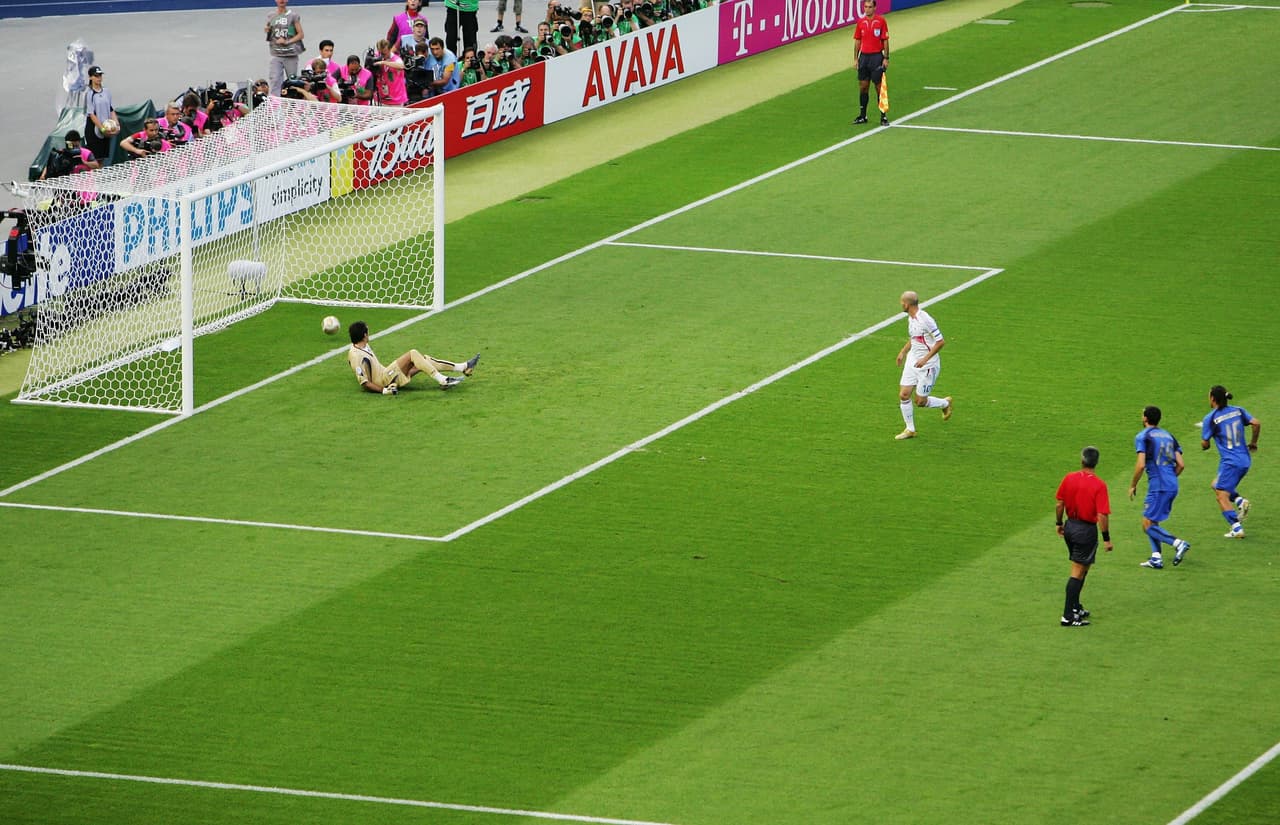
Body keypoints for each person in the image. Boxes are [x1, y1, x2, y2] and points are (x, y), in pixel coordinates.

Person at [1056, 446, 1113, 627]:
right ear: (1096, 462)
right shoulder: (1099, 485)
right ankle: (1067, 616)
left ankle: (1075, 607)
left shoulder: (1069, 478)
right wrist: (1106, 538)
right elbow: (1102, 515)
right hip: (1085, 530)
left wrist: (1059, 523)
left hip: (1070, 527)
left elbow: (1059, 503)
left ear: (1082, 460)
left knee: (1083, 566)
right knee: (1078, 570)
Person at [1129, 405, 1191, 569]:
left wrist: (1133, 485)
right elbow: (1181, 464)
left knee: (1147, 524)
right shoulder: (1168, 435)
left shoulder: (1143, 436)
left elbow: (1141, 465)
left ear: (1145, 418)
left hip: (1159, 486)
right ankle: (1156, 558)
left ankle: (1178, 543)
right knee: (1151, 520)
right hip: (1171, 484)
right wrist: (1170, 479)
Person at [347, 321, 479, 394]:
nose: (369, 334)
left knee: (424, 360)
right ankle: (443, 380)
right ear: (364, 335)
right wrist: (384, 390)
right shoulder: (357, 356)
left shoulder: (362, 345)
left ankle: (464, 367)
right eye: (368, 332)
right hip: (384, 379)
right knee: (412, 354)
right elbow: (364, 383)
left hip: (388, 375)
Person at [1201, 385, 1260, 539]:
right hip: (1244, 459)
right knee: (1215, 484)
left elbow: (1205, 444)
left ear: (1213, 398)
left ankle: (1236, 528)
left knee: (1221, 496)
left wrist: (1206, 443)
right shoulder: (1238, 410)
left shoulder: (1211, 418)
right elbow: (1256, 423)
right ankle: (1241, 501)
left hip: (1231, 463)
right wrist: (1253, 443)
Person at [893, 290, 952, 440]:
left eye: (902, 302)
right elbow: (914, 338)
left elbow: (941, 342)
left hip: (927, 366)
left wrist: (925, 359)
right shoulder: (911, 318)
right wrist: (903, 352)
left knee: (920, 402)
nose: (901, 305)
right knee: (904, 394)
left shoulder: (925, 320)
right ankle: (910, 429)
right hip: (912, 361)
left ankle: (945, 404)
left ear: (907, 304)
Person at [852, 0, 889, 127]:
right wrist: (856, 59)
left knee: (879, 87)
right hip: (864, 58)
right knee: (863, 86)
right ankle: (863, 116)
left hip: (877, 57)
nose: (867, 9)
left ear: (875, 8)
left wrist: (886, 58)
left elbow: (885, 40)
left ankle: (883, 116)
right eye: (865, 7)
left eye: (870, 7)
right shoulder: (860, 22)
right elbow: (857, 41)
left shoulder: (881, 21)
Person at [265, 0, 306, 96]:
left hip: (290, 54)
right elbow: (269, 31)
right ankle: (275, 103)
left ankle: (292, 101)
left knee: (292, 82)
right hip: (276, 54)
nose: (281, 0)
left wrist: (287, 42)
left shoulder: (293, 16)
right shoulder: (271, 15)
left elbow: (300, 34)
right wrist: (267, 30)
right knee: (275, 80)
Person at [83, 65, 117, 166]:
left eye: (100, 75)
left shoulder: (106, 91)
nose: (99, 78)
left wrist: (116, 125)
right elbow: (91, 114)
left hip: (106, 128)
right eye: (96, 76)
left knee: (102, 159)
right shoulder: (89, 94)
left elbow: (111, 109)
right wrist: (102, 129)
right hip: (94, 129)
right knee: (94, 159)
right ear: (90, 77)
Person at [373, 39, 409, 105]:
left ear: (390, 49)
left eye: (384, 53)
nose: (382, 55)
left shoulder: (396, 59)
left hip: (396, 99)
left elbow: (401, 66)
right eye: (381, 53)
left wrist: (384, 62)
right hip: (381, 99)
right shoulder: (377, 57)